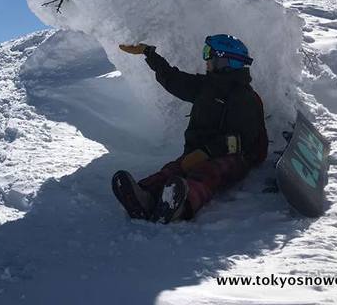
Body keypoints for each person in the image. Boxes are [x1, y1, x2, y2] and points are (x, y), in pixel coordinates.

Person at [112, 34, 268, 223]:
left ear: (224, 62)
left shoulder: (244, 98)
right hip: (199, 152)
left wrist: (206, 152)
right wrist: (149, 53)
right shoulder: (207, 86)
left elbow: (243, 140)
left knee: (207, 173)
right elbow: (173, 79)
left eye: (209, 55)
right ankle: (142, 196)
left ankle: (180, 205)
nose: (206, 60)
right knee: (173, 169)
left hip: (233, 158)